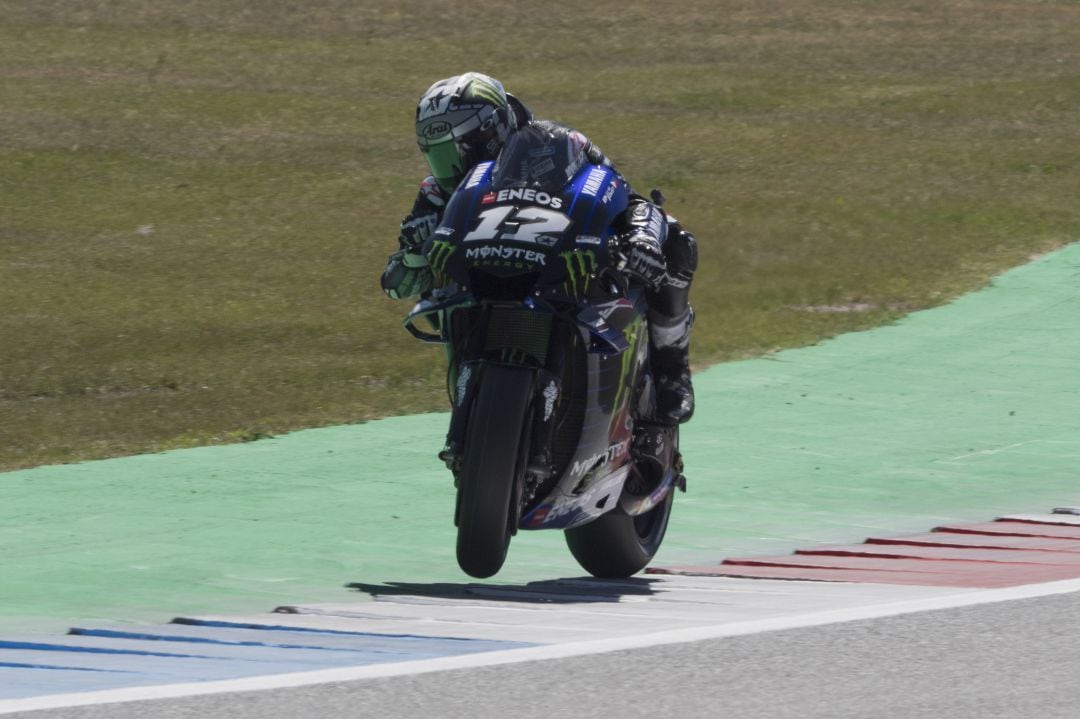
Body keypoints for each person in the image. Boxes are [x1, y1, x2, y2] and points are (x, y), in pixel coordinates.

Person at [381, 72, 697, 425]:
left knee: (676, 240)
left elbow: (626, 197)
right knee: (432, 291)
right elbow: (396, 283)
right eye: (438, 155)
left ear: (493, 132)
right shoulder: (436, 193)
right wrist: (412, 249)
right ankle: (472, 403)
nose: (450, 167)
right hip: (478, 295)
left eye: (458, 150)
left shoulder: (559, 143)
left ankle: (673, 368)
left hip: (556, 273)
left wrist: (642, 238)